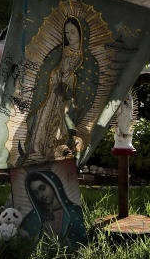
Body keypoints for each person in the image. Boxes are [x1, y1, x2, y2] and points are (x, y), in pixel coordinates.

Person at [22, 15, 99, 164]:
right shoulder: (59, 52)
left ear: (82, 33)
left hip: (69, 100)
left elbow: (88, 86)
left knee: (63, 126)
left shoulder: (88, 59)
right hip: (51, 95)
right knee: (42, 121)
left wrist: (70, 81)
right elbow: (45, 72)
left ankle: (58, 153)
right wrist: (56, 77)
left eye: (73, 32)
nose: (69, 36)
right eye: (66, 32)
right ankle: (37, 152)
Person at [18, 169, 88, 246]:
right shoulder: (34, 216)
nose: (41, 195)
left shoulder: (74, 211)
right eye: (36, 193)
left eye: (42, 188)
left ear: (53, 185)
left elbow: (81, 239)